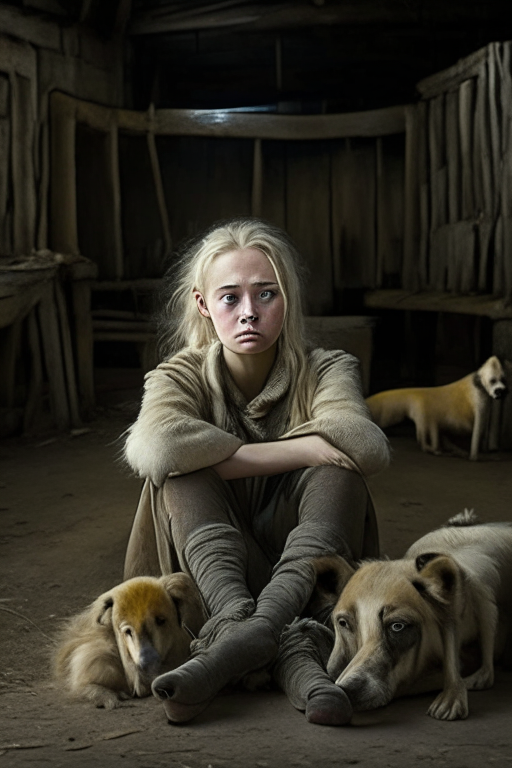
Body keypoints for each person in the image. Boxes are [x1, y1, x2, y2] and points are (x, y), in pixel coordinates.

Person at [123, 217, 390, 725]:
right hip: (217, 573)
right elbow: (154, 449)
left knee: (340, 472)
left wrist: (223, 455)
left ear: (286, 298)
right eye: (230, 297)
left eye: (265, 294)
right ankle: (274, 643)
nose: (249, 312)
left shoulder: (328, 367)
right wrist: (291, 450)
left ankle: (250, 633)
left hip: (310, 574)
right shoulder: (180, 375)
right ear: (204, 305)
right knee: (178, 475)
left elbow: (366, 446)